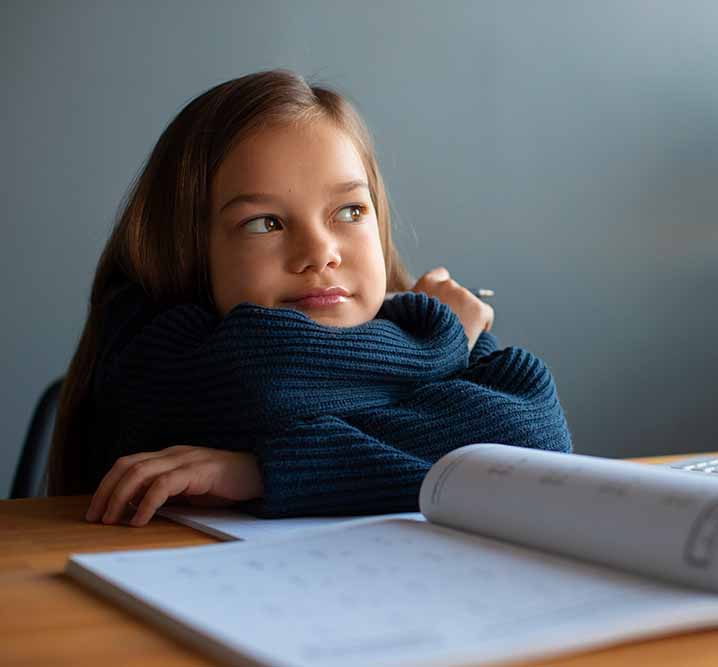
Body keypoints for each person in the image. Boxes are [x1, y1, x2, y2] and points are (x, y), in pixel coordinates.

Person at [48, 69, 573, 526]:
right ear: (188, 246)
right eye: (265, 223)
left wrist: (262, 470)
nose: (319, 253)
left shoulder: (400, 316)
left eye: (349, 212)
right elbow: (268, 379)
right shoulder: (151, 344)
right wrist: (441, 345)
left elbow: (532, 437)